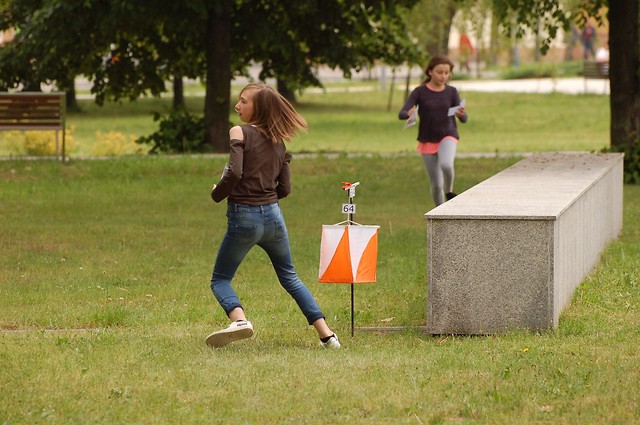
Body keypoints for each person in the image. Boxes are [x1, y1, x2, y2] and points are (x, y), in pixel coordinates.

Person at [206, 83, 340, 349]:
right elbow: (285, 189)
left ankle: (239, 321)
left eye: (244, 101)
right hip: (274, 217)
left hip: (244, 218)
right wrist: (264, 198)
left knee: (220, 279)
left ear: (259, 107)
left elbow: (234, 172)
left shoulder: (239, 131)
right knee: (290, 277)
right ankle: (327, 336)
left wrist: (216, 193)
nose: (237, 105)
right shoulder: (279, 141)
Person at [398, 55, 468, 207]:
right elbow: (401, 113)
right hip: (427, 139)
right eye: (439, 72)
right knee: (436, 185)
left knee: (447, 165)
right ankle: (439, 213)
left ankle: (449, 191)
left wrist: (461, 114)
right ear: (430, 72)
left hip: (448, 135)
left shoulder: (452, 92)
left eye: (446, 73)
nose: (443, 76)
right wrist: (408, 114)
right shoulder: (420, 92)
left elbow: (464, 119)